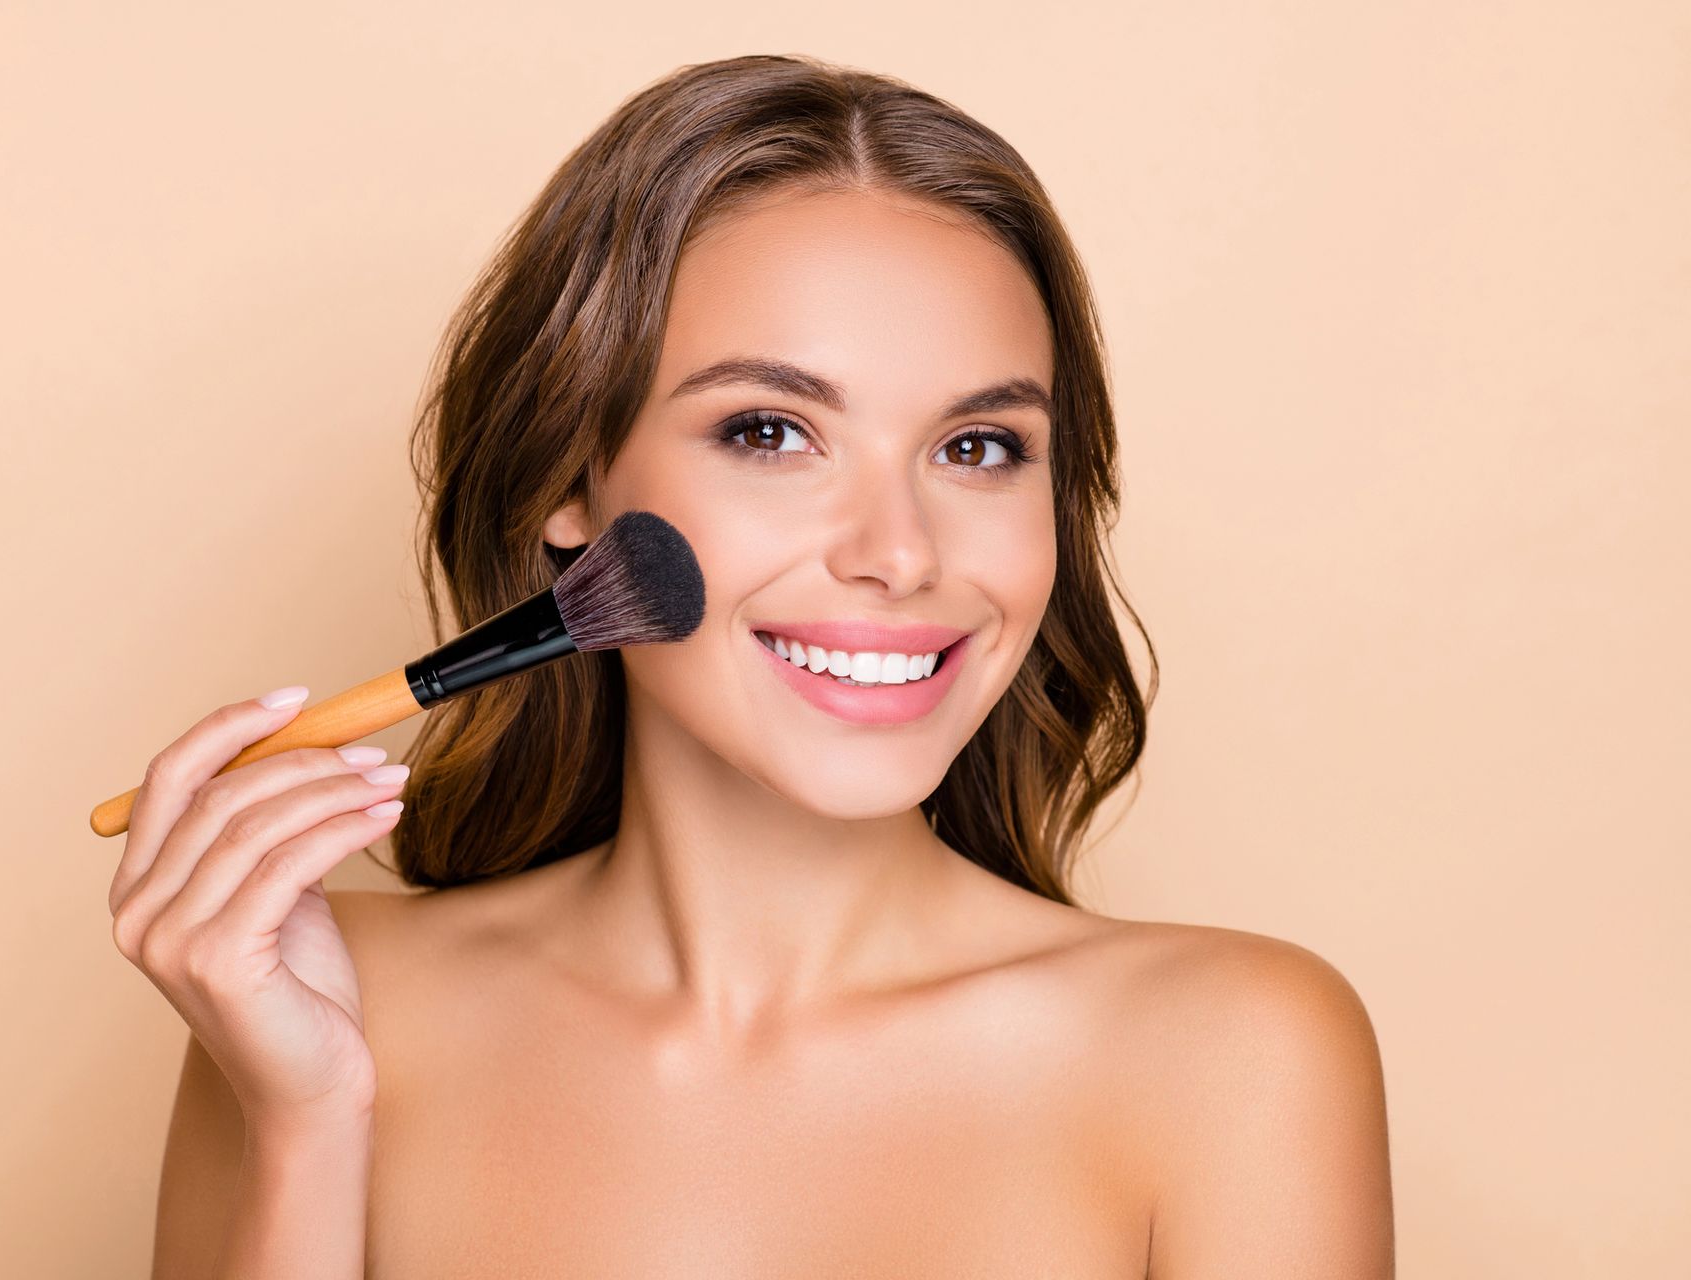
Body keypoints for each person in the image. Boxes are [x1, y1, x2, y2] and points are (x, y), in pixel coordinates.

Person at [107, 54, 1394, 1278]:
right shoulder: (323, 1002)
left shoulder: (1234, 1054)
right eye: (772, 432)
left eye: (979, 447)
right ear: (570, 479)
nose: (900, 553)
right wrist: (309, 1122)